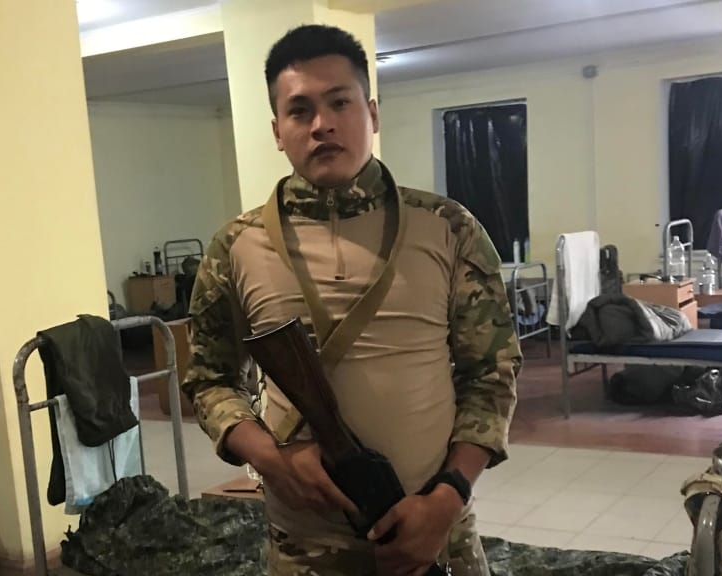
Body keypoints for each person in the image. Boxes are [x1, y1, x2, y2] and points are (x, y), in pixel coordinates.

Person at [183, 23, 521, 576]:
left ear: (372, 113)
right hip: (304, 547)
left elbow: (492, 375)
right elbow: (209, 379)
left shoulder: (448, 228)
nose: (322, 124)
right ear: (277, 131)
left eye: (339, 102)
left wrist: (448, 498)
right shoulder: (236, 246)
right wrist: (273, 460)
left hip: (436, 538)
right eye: (299, 111)